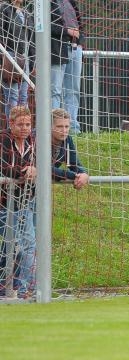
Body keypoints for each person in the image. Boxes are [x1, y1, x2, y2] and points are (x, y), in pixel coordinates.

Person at [0, 106, 36, 299]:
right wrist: (27, 170)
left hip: (23, 202)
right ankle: (6, 286)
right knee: (11, 246)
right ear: (11, 124)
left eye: (28, 124)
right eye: (20, 124)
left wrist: (36, 168)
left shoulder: (33, 141)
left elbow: (46, 166)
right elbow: (6, 168)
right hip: (3, 203)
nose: (25, 128)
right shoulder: (3, 139)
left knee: (28, 245)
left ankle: (25, 291)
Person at [50, 0, 84, 134]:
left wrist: (80, 41)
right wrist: (67, 31)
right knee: (55, 90)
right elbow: (46, 27)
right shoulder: (46, 3)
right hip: (57, 48)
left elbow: (79, 25)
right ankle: (53, 126)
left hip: (76, 48)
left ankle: (72, 127)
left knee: (74, 90)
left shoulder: (71, 2)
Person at [0, 0, 34, 121]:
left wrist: (32, 58)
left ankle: (24, 129)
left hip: (25, 58)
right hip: (10, 56)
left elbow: (31, 39)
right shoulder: (4, 9)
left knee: (24, 97)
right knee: (12, 97)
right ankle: (12, 130)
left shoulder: (26, 12)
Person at [51, 108, 89, 189]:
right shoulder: (38, 138)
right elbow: (44, 169)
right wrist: (73, 175)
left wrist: (83, 174)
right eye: (59, 126)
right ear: (49, 126)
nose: (64, 130)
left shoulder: (67, 139)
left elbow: (73, 163)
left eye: (67, 126)